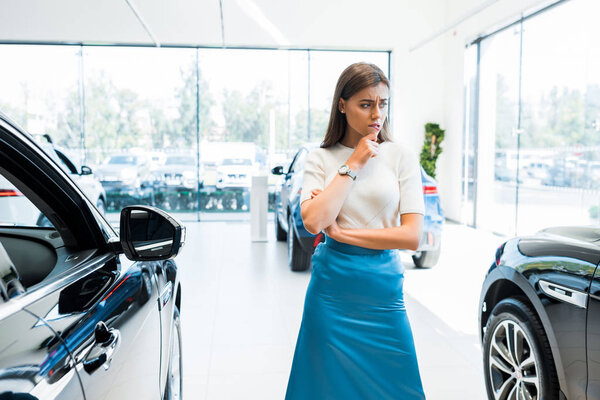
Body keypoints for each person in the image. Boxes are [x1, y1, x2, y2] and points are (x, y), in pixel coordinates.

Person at [285, 62, 426, 400]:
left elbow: (411, 236)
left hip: (383, 293)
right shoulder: (321, 159)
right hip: (332, 294)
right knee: (323, 388)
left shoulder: (401, 156)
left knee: (399, 388)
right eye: (366, 104)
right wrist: (355, 163)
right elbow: (314, 222)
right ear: (342, 105)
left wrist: (345, 235)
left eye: (383, 103)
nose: (377, 114)